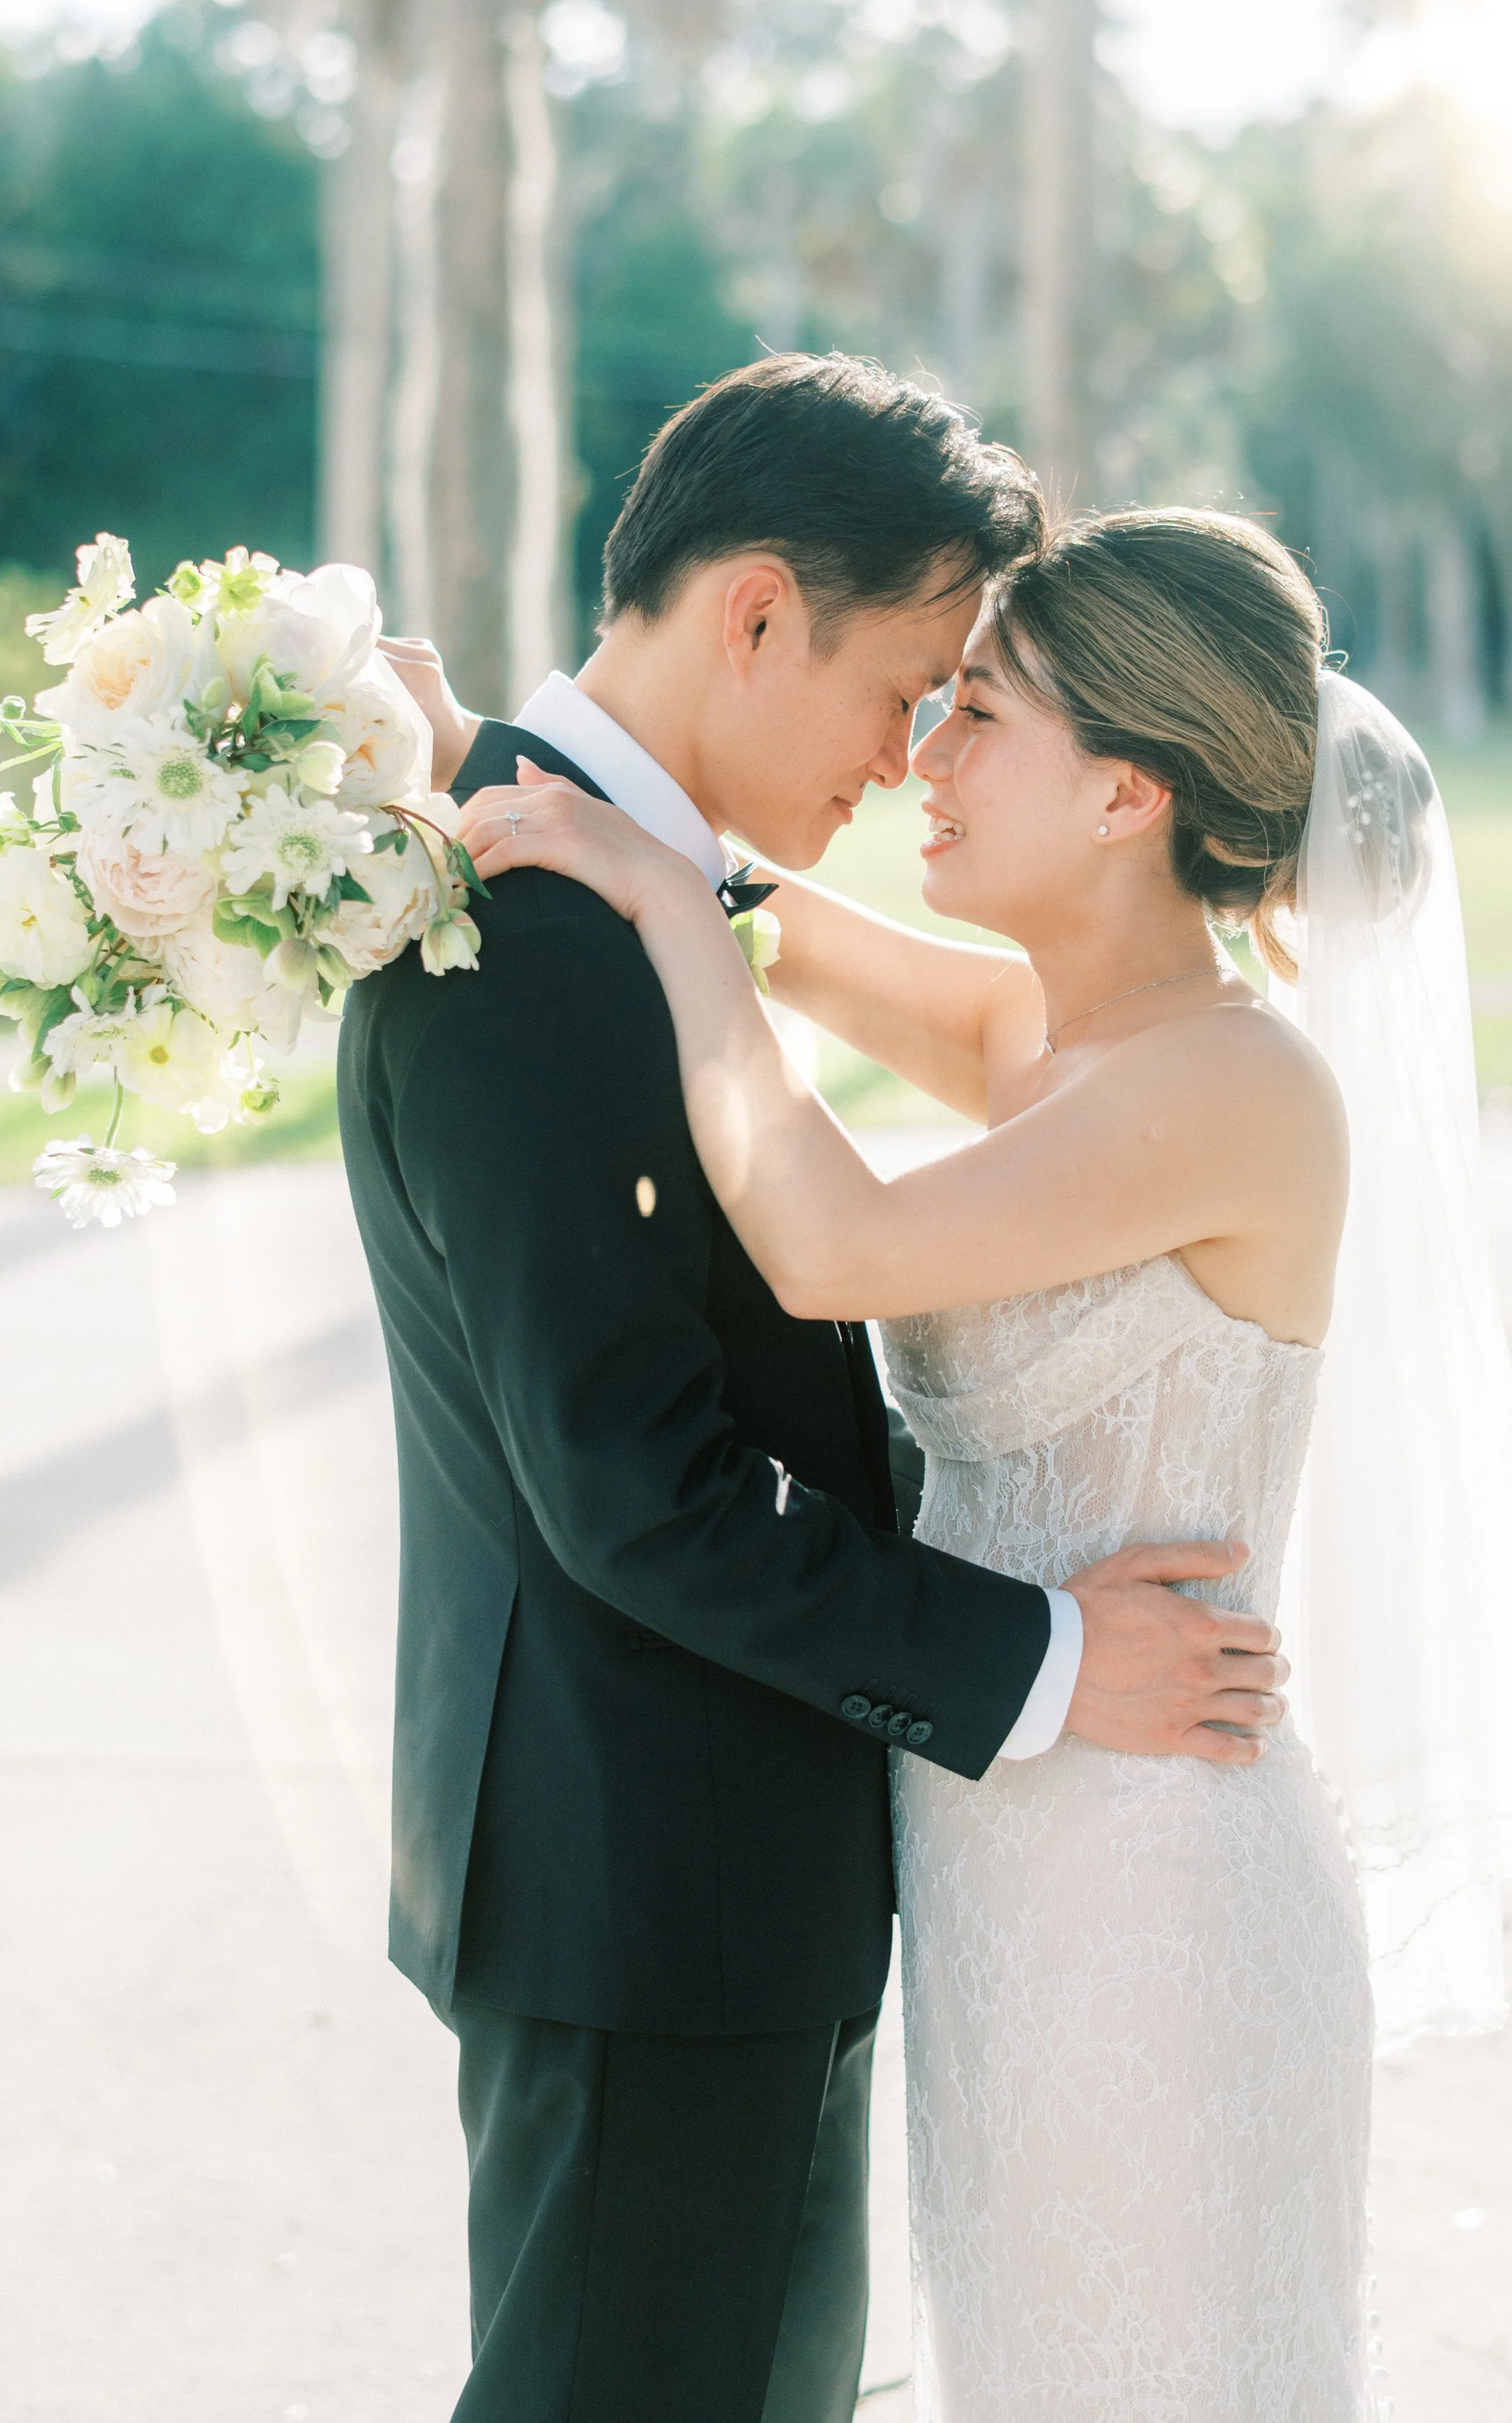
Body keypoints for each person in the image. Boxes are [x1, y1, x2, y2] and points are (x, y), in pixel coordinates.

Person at [458, 504, 1512, 2418]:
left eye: (976, 711)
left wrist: (661, 913)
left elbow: (825, 1238)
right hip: (1002, 1877)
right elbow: (746, 896)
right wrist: (476, 776)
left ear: (1126, 794)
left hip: (1160, 1903)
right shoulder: (1047, 1032)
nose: (922, 755)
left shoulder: (1236, 1087)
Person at [338, 360, 1290, 2423]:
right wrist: (1035, 1661)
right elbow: (638, 1486)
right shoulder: (529, 935)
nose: (910, 752)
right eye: (912, 685)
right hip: (647, 1895)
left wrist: (623, 849)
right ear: (759, 610)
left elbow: (813, 1059)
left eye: (975, 709)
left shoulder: (598, 893)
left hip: (762, 1885)